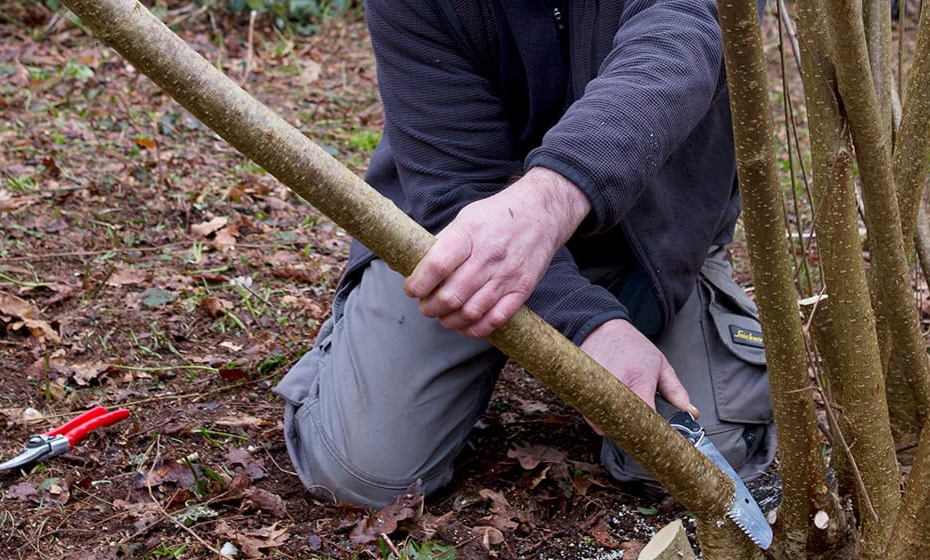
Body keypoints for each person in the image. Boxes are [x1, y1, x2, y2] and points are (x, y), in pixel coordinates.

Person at [276, 0, 777, 509]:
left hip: (653, 231)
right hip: (463, 231)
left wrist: (553, 197)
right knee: (363, 473)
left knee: (704, 457)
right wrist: (586, 324)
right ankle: (358, 349)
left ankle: (681, 296)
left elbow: (680, 35)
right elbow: (454, 183)